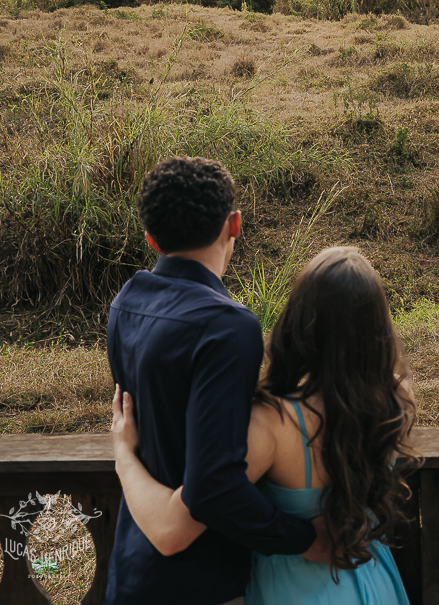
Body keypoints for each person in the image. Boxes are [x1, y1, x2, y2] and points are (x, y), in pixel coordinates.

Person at [111, 245, 419, 605]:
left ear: (301, 321)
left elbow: (173, 526)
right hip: (372, 579)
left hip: (293, 589)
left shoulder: (274, 422)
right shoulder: (400, 399)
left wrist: (124, 453)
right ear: (378, 326)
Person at [106, 156, 321, 605]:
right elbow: (212, 487)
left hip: (130, 564)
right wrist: (305, 538)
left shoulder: (126, 302)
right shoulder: (228, 326)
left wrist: (124, 454)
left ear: (150, 237)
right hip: (200, 582)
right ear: (235, 225)